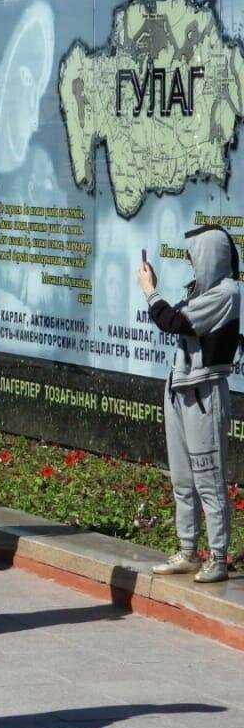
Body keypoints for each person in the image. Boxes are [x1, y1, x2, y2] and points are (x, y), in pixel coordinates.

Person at [140, 224, 241, 583]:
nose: (190, 262)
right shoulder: (200, 291)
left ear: (210, 254)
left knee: (208, 480)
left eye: (193, 255)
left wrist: (150, 291)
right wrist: (158, 293)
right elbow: (177, 318)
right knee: (182, 478)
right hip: (180, 389)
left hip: (205, 393)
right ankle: (188, 551)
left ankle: (217, 557)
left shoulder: (227, 292)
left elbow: (175, 322)